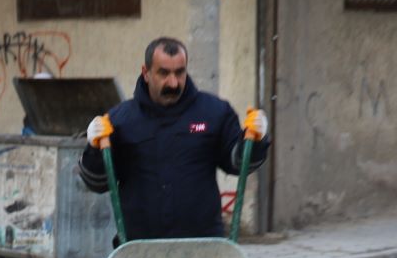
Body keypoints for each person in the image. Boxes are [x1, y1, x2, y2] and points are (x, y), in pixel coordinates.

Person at [79, 36, 267, 241]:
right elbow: (97, 183)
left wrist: (254, 142)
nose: (173, 82)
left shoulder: (213, 113)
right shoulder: (121, 120)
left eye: (180, 72)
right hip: (140, 250)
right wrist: (95, 150)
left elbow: (237, 163)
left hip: (203, 249)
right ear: (146, 73)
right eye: (164, 73)